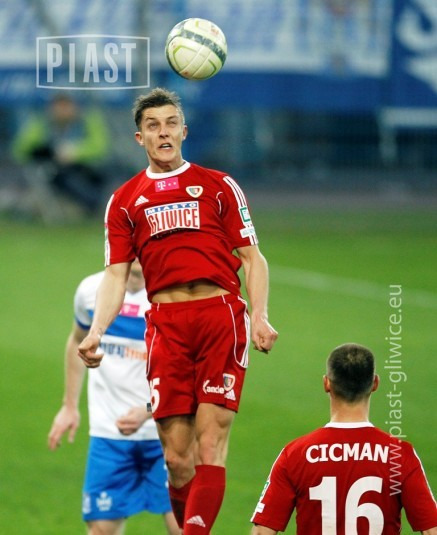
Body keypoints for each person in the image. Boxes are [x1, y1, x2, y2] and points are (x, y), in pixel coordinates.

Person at [77, 87, 278, 533]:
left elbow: (252, 258)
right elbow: (115, 275)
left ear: (184, 131)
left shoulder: (219, 186)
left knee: (210, 445)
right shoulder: (125, 200)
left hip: (219, 317)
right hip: (166, 327)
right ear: (140, 138)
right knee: (176, 458)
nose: (163, 132)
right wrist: (96, 331)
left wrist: (260, 315)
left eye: (171, 123)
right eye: (153, 126)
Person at [48, 259, 179, 535]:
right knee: (99, 530)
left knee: (185, 528)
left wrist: (148, 411)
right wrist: (69, 406)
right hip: (108, 435)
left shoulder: (173, 296)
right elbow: (77, 340)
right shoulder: (90, 291)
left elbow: (189, 374)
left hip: (167, 434)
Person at [251, 343, 437, 534]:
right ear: (375, 383)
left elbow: (261, 532)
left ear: (326, 383)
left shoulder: (295, 454)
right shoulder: (399, 455)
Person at [12, 93, 108, 214]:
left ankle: (101, 206)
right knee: (69, 180)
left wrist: (75, 152)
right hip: (56, 170)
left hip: (87, 166)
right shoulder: (41, 124)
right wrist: (48, 151)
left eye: (66, 106)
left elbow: (100, 147)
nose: (62, 111)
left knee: (109, 173)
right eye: (59, 107)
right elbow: (20, 149)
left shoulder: (87, 122)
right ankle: (95, 207)